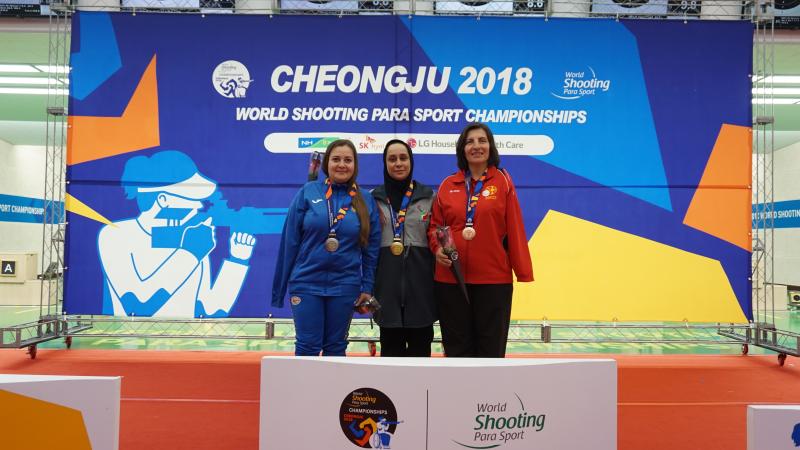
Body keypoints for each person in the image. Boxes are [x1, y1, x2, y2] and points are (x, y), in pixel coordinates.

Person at [98, 150, 256, 318]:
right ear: (163, 200)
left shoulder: (189, 239)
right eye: (191, 198)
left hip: (184, 340)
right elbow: (138, 306)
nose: (198, 206)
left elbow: (210, 310)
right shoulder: (116, 235)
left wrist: (238, 260)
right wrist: (190, 252)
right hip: (131, 340)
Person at [428, 123, 534, 357]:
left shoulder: (502, 181)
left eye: (482, 141)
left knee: (491, 351)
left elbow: (515, 226)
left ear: (490, 146)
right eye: (470, 141)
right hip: (451, 280)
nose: (476, 146)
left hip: (493, 280)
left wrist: (523, 271)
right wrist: (437, 249)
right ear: (462, 149)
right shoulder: (447, 185)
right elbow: (435, 226)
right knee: (457, 350)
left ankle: (490, 396)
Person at [272, 139, 381, 356]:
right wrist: (280, 290)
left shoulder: (365, 199)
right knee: (307, 346)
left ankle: (333, 392)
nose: (342, 165)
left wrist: (367, 287)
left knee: (336, 347)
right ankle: (304, 391)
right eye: (336, 159)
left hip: (345, 285)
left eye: (348, 160)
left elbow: (371, 250)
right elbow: (290, 241)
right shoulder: (309, 192)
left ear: (355, 165)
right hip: (306, 283)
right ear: (326, 164)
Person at [371, 139, 436, 357]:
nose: (398, 163)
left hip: (422, 296)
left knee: (421, 364)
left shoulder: (429, 197)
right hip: (386, 297)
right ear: (384, 164)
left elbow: (438, 240)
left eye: (403, 158)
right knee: (390, 367)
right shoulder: (373, 199)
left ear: (411, 161)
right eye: (392, 159)